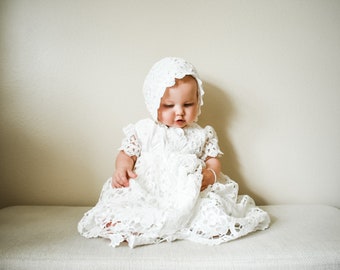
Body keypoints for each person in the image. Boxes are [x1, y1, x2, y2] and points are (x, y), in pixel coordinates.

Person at [78, 57, 270, 248]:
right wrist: (123, 168)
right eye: (169, 105)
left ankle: (190, 225)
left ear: (198, 101)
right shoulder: (144, 130)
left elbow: (213, 161)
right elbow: (127, 153)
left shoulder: (202, 134)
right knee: (129, 205)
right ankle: (133, 225)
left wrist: (211, 174)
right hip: (151, 188)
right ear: (153, 102)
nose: (179, 112)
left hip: (189, 191)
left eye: (188, 105)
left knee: (211, 209)